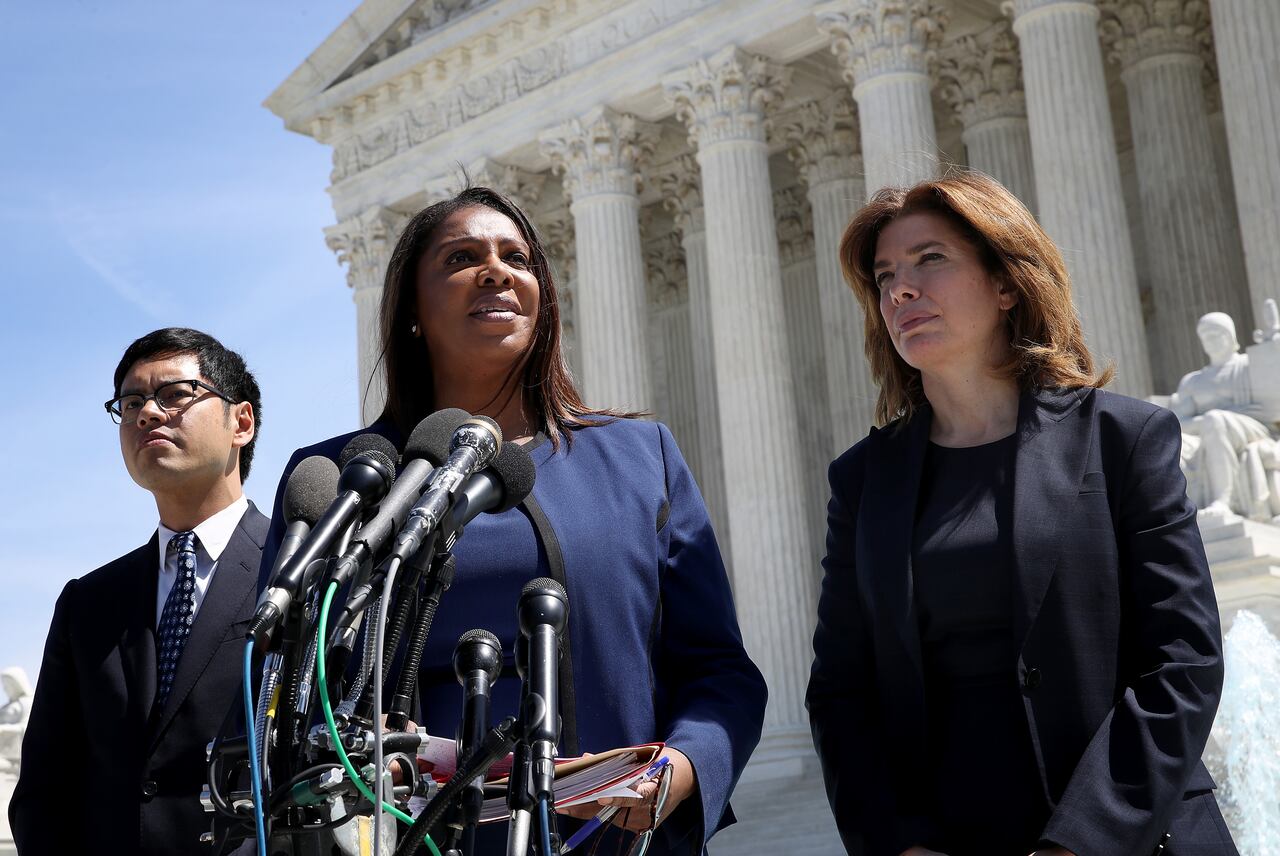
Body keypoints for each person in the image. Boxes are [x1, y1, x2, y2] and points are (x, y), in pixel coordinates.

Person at [260, 186, 766, 854]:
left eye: (517, 259)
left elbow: (719, 670)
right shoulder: (348, 478)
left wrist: (680, 770)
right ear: (412, 312)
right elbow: (280, 694)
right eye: (461, 258)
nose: (495, 271)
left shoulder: (641, 458)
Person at [806, 172, 1236, 856]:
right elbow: (841, 688)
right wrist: (900, 843)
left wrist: (1080, 842)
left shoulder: (1123, 439)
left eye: (929, 259)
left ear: (1007, 284)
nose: (899, 290)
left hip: (1125, 834)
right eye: (884, 276)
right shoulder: (862, 479)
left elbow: (1183, 661)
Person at [10, 328, 268, 856]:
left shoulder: (305, 572)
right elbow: (44, 790)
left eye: (175, 395)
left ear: (240, 423)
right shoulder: (88, 603)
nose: (148, 413)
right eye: (131, 403)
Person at [1169, 311, 1280, 522]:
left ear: (1230, 335)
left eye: (1216, 334)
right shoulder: (1192, 381)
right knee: (1169, 443)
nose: (1210, 341)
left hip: (1257, 427)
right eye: (1205, 337)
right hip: (1208, 432)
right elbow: (1177, 423)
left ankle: (1224, 500)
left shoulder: (1250, 365)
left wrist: (1274, 346)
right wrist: (1205, 423)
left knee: (1216, 420)